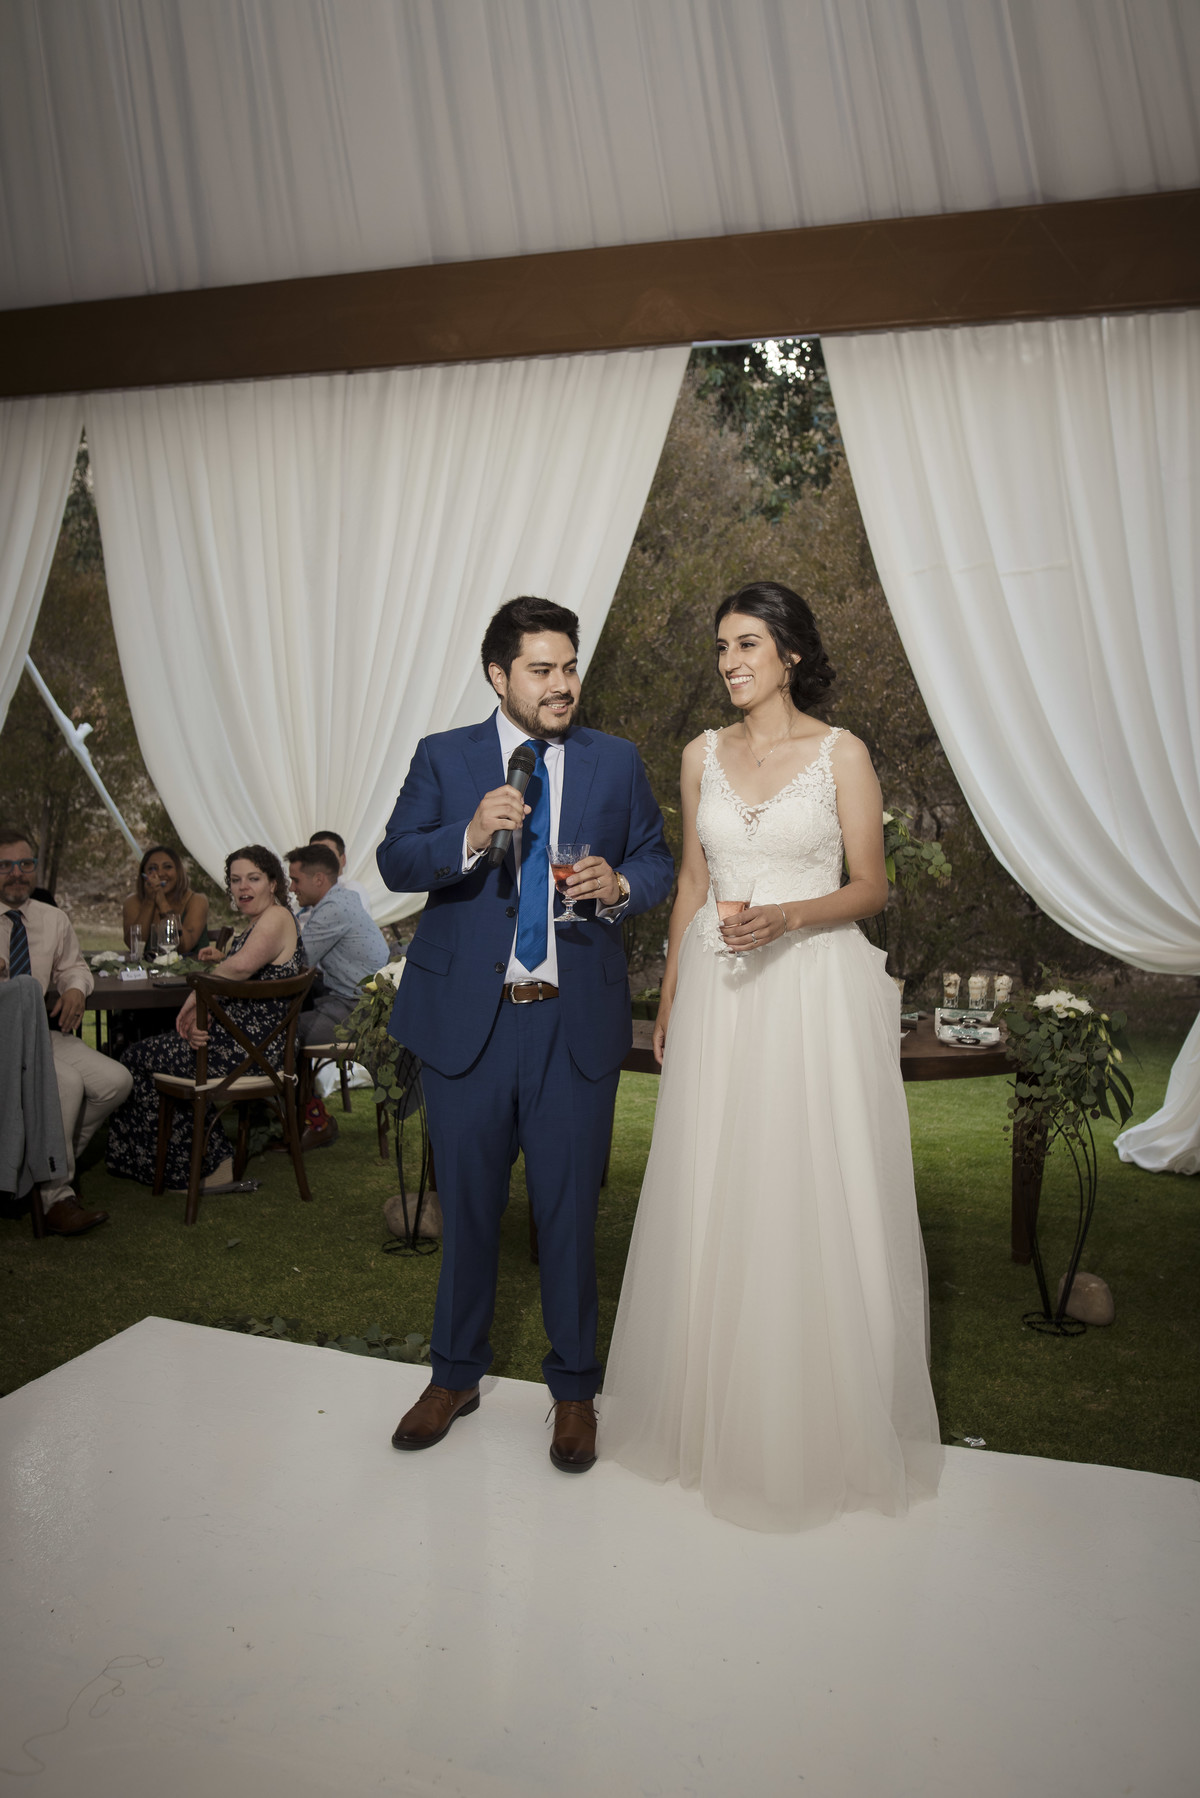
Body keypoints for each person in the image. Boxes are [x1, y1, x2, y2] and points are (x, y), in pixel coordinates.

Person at [602, 582, 943, 1531]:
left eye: (747, 643)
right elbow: (693, 883)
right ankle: (706, 1412)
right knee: (717, 1181)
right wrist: (671, 994)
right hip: (720, 993)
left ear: (790, 652)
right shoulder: (698, 755)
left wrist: (789, 916)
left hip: (809, 993)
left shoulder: (843, 754)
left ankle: (814, 1419)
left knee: (806, 1182)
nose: (729, 662)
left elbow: (870, 887)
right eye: (721, 647)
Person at [378, 596, 674, 1472]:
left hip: (571, 1027)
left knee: (569, 1215)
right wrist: (469, 834)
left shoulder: (616, 761)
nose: (562, 684)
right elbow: (397, 857)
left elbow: (659, 859)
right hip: (466, 1027)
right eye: (542, 669)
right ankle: (454, 1376)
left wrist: (621, 885)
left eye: (569, 667)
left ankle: (574, 1391)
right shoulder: (444, 756)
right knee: (468, 1213)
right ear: (498, 675)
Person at [106, 845, 305, 1192]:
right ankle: (186, 1160)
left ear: (273, 883)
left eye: (253, 879)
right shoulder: (259, 921)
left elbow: (240, 969)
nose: (243, 887)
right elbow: (241, 982)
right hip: (242, 1042)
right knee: (152, 1054)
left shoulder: (277, 917)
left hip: (254, 1052)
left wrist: (196, 997)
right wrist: (207, 1015)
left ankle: (204, 1163)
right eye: (236, 880)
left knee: (136, 1058)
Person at [0, 825, 131, 1234]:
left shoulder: (52, 918)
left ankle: (37, 1169)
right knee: (68, 1085)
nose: (17, 873)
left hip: (43, 1033)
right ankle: (57, 1196)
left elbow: (75, 966)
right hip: (3, 1040)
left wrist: (75, 988)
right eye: (5, 865)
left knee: (116, 1081)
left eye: (25, 864)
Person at [282, 840, 390, 1149]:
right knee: (283, 1026)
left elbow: (295, 962)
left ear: (319, 879)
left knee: (279, 1033)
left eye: (295, 880)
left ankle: (312, 1121)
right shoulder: (339, 900)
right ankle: (302, 1116)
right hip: (362, 1005)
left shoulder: (334, 908)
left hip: (360, 1012)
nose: (291, 888)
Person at [122, 845, 209, 956]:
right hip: (146, 967)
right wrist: (149, 902)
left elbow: (184, 946)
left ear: (178, 871)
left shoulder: (197, 900)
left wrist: (162, 903)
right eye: (152, 869)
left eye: (167, 867)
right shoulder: (132, 902)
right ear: (143, 875)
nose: (160, 874)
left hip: (190, 966)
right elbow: (134, 946)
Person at [308, 831, 370, 912]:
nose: (319, 859)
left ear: (343, 859)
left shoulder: (352, 889)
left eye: (327, 854)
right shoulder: (303, 896)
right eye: (313, 854)